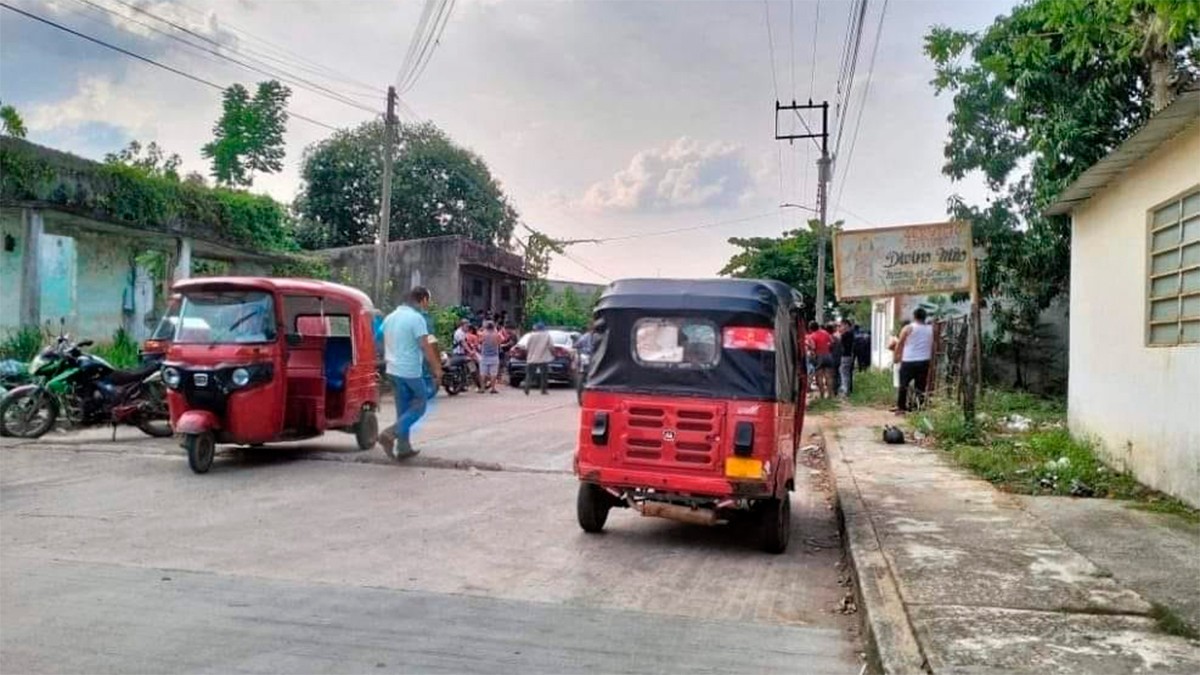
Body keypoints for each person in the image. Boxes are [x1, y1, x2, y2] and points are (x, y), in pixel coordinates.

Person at [381, 287, 443, 458]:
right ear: (422, 299)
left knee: (403, 409)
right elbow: (425, 346)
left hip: (392, 369)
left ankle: (403, 447)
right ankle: (390, 433)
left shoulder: (390, 318)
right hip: (409, 371)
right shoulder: (416, 319)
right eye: (427, 301)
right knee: (420, 405)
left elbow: (380, 339)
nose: (427, 305)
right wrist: (437, 368)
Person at [895, 308, 933, 413]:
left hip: (908, 360)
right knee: (920, 386)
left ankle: (901, 408)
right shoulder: (931, 329)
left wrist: (896, 356)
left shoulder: (908, 328)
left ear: (914, 316)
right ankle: (918, 408)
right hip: (924, 360)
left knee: (903, 385)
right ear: (925, 317)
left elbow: (900, 343)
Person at [523, 322, 554, 396]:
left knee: (529, 374)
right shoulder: (547, 335)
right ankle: (543, 390)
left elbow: (527, 346)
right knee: (544, 376)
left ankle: (527, 388)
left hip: (532, 358)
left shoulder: (531, 335)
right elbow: (551, 346)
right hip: (543, 358)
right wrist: (553, 353)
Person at [808, 321, 834, 399]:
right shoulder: (825, 333)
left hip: (819, 356)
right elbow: (832, 342)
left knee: (819, 376)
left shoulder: (812, 336)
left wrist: (811, 350)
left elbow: (813, 347)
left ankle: (822, 395)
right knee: (828, 376)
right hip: (828, 355)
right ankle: (830, 394)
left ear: (810, 329)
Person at [479, 321, 502, 394]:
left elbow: (479, 341)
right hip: (494, 356)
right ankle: (493, 388)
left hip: (484, 356)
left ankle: (482, 388)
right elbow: (499, 343)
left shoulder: (483, 334)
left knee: (483, 373)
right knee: (493, 373)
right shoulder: (497, 335)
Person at [838, 318, 857, 397]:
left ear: (846, 325)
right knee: (846, 372)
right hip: (849, 355)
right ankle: (847, 389)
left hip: (846, 355)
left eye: (841, 325)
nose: (840, 327)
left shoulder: (846, 334)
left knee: (844, 372)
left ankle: (845, 390)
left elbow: (841, 344)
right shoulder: (851, 333)